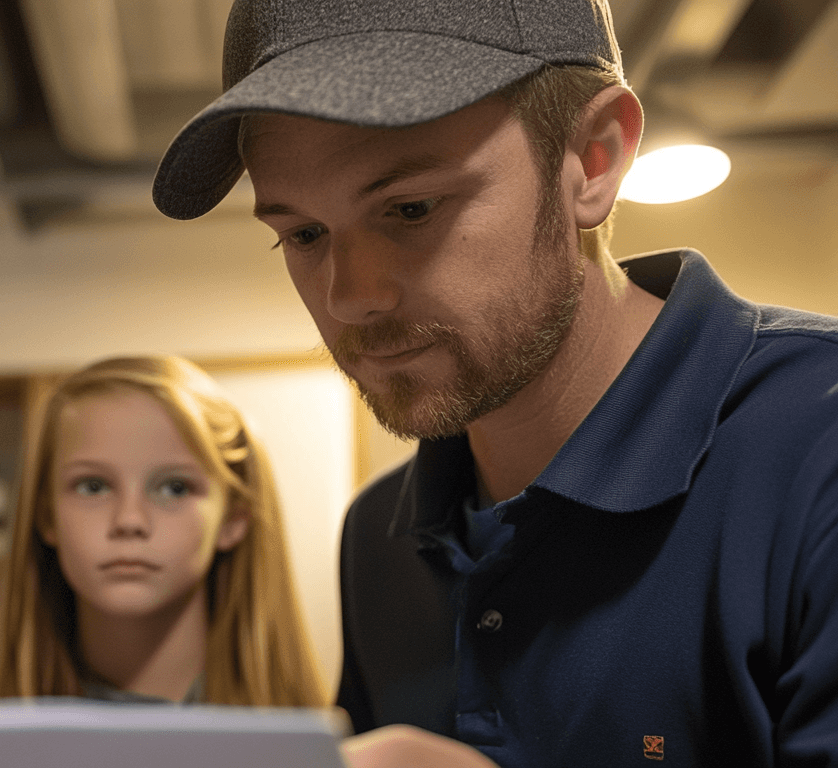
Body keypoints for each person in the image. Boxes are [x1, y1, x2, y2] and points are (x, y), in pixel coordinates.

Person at [151, 0, 838, 766]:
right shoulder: (380, 540)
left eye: (409, 209)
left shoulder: (817, 451)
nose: (349, 296)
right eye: (305, 234)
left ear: (595, 158)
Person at [0, 355, 331, 767]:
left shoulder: (324, 752)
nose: (129, 521)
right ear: (46, 514)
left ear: (233, 518)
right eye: (92, 486)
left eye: (174, 488)